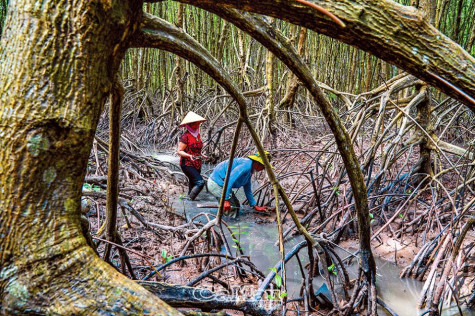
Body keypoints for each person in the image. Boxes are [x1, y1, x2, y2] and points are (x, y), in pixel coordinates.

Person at [207, 151, 272, 215]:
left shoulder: (249, 169)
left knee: (237, 206)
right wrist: (225, 200)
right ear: (258, 163)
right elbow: (229, 180)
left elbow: (247, 189)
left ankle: (226, 218)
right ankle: (230, 224)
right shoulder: (246, 165)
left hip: (221, 185)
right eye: (263, 166)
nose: (263, 169)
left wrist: (254, 205)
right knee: (232, 210)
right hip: (216, 183)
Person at [176, 111, 208, 200]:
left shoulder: (197, 135)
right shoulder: (185, 136)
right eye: (195, 124)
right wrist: (189, 156)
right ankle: (190, 200)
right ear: (189, 125)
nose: (197, 126)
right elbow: (179, 151)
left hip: (197, 163)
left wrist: (202, 154)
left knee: (193, 183)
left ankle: (189, 203)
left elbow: (196, 149)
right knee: (200, 182)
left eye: (198, 124)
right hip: (187, 164)